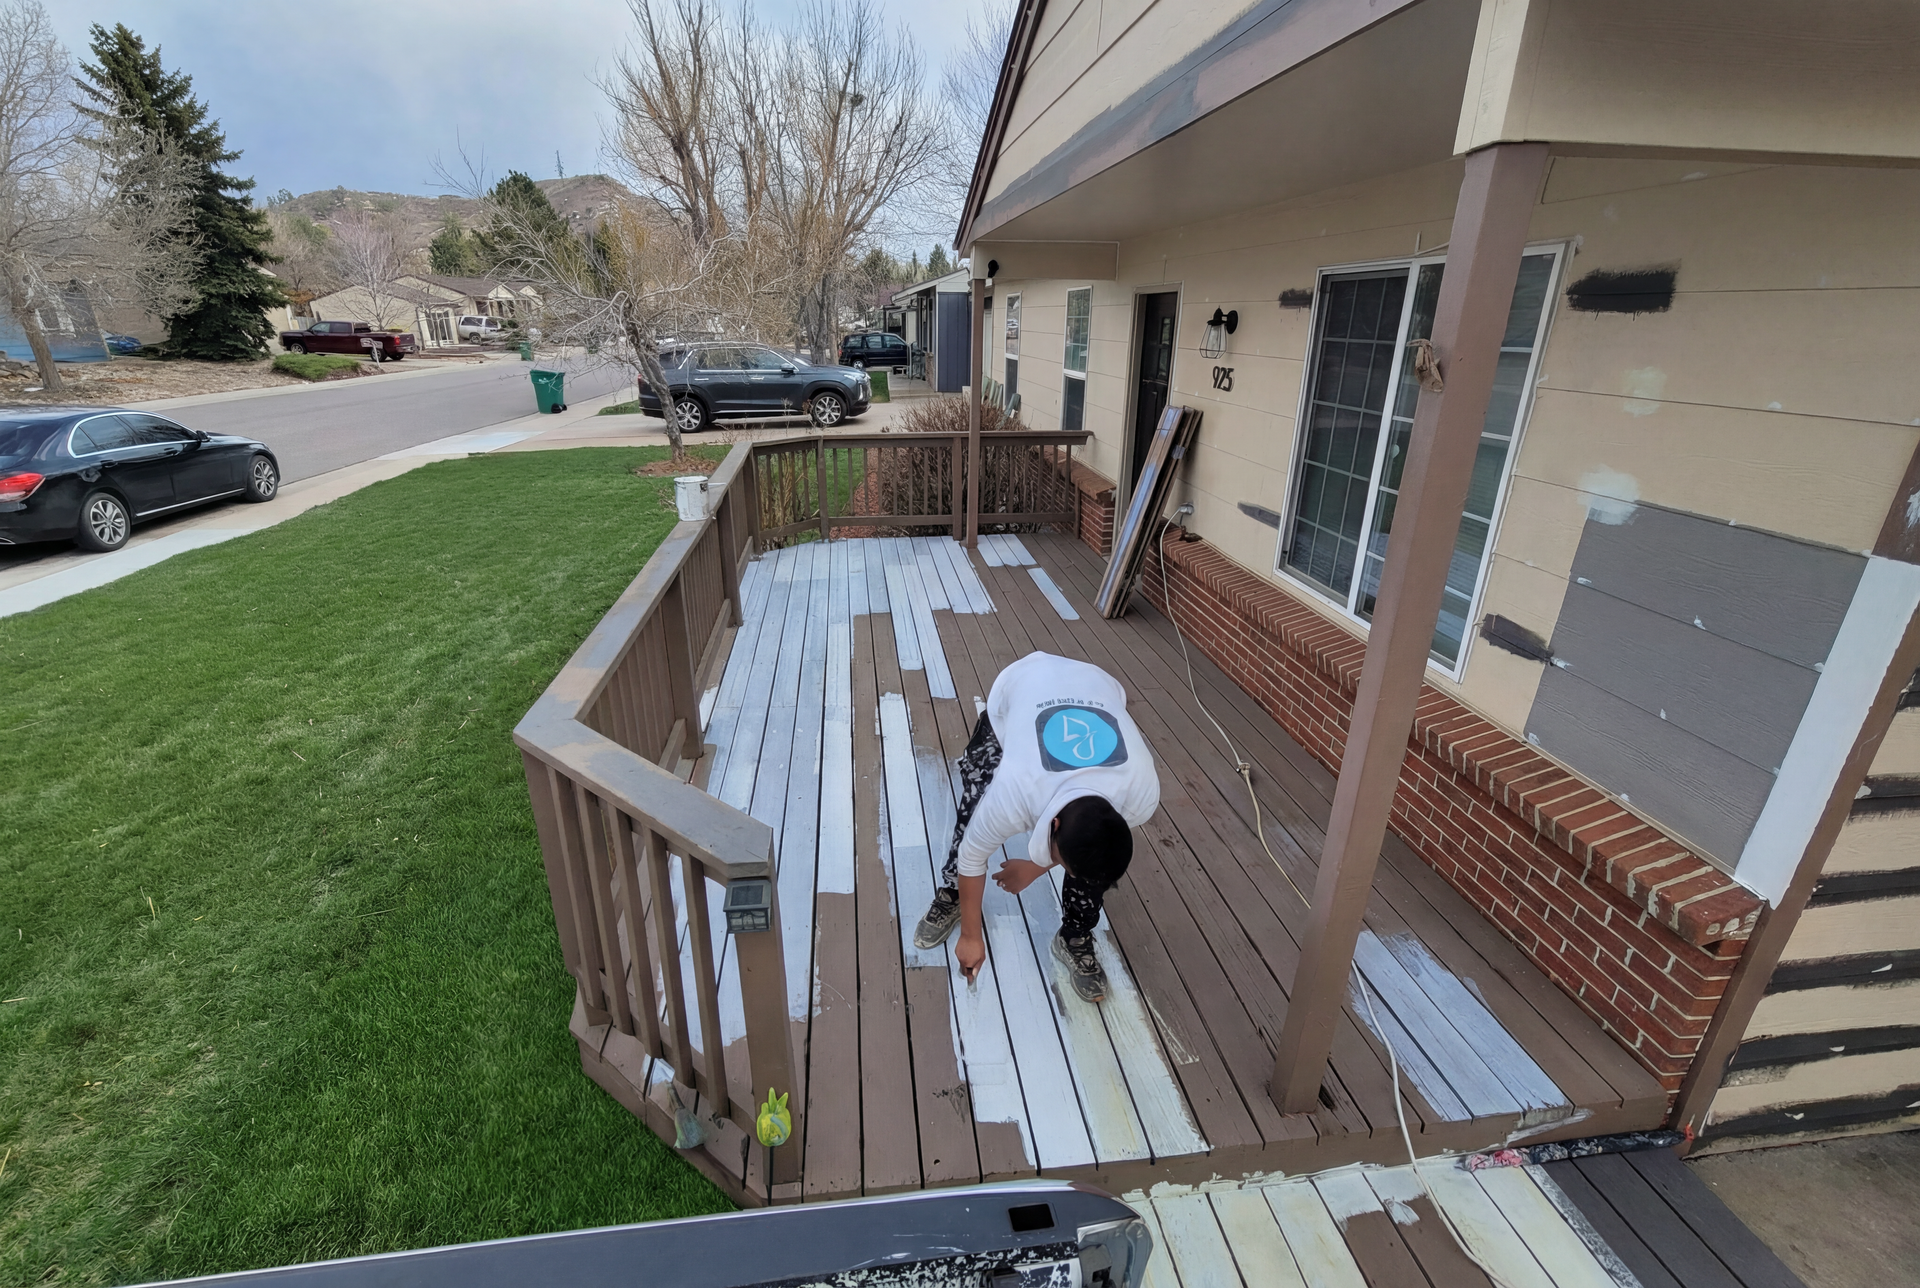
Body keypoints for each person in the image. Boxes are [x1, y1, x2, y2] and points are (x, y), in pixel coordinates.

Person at [913, 651, 1160, 1002]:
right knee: (973, 809)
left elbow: (1088, 847)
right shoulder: (1015, 790)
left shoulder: (1141, 794)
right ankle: (953, 893)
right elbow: (974, 856)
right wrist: (971, 936)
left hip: (1097, 684)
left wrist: (1033, 866)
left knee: (1092, 866)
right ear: (1053, 823)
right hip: (1020, 686)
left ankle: (1073, 935)